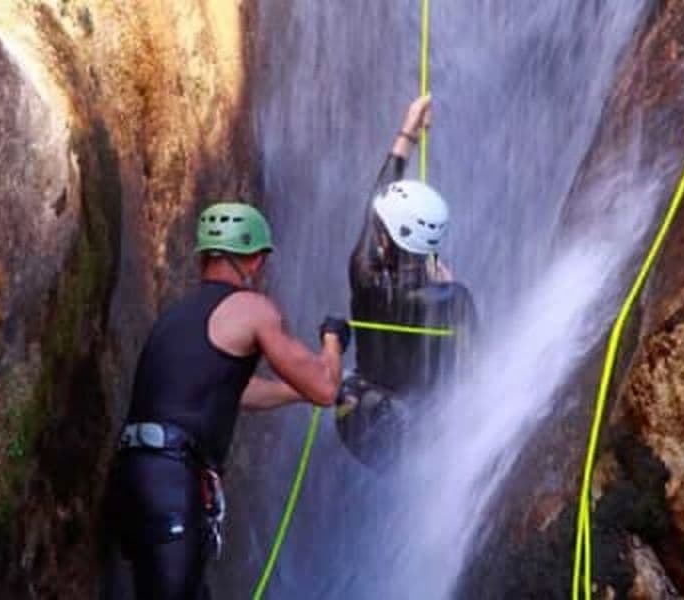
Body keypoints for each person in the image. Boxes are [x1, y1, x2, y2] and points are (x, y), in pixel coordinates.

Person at [103, 202, 350, 600]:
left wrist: (294, 392)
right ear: (254, 259)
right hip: (172, 481)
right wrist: (333, 339)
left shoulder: (176, 317)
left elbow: (236, 391)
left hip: (129, 479)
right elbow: (323, 386)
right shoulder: (253, 309)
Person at [336, 95, 477, 469]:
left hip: (357, 419)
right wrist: (448, 287)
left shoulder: (362, 272)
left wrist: (407, 132)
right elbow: (469, 373)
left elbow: (373, 209)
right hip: (414, 436)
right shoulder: (452, 298)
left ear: (384, 236)